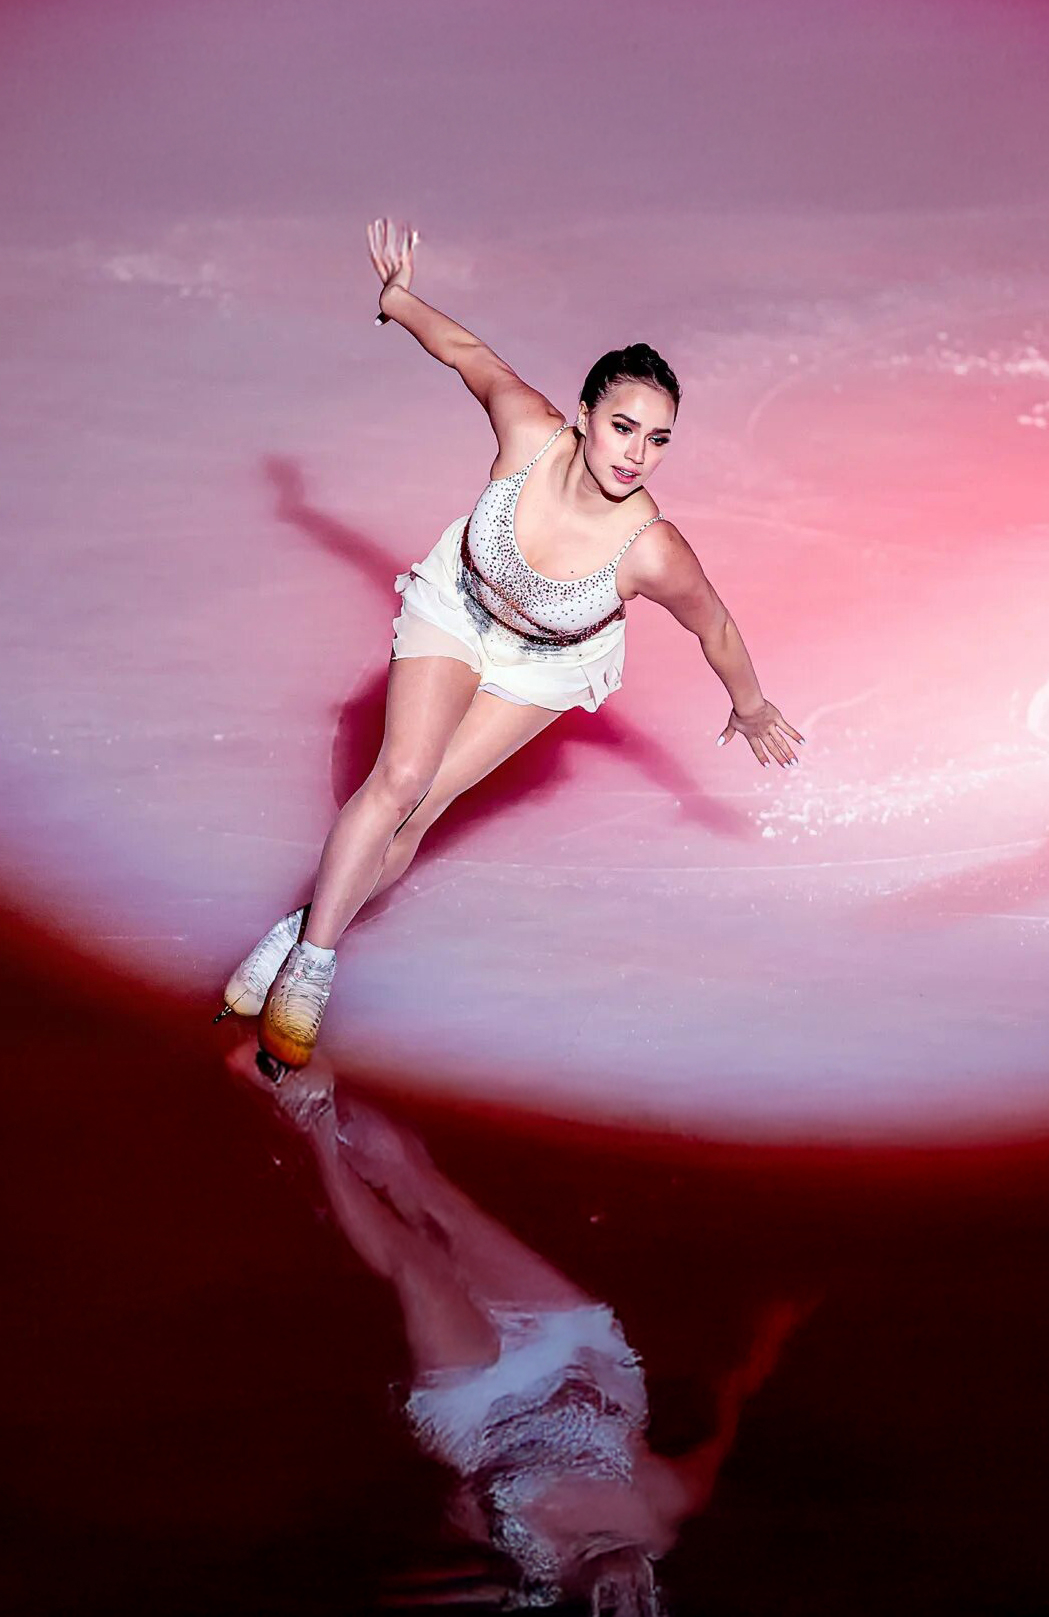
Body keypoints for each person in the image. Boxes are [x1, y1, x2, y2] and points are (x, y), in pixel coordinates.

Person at [215, 219, 803, 1073]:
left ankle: (302, 929)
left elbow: (712, 623)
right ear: (585, 415)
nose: (637, 455)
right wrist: (397, 301)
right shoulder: (528, 429)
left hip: (547, 663)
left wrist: (750, 707)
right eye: (623, 427)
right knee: (399, 776)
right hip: (459, 611)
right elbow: (467, 353)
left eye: (657, 439)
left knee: (420, 808)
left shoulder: (651, 549)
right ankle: (313, 965)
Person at [227, 1040, 810, 1613]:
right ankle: (313, 1110)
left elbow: (445, 1515)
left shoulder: (532, 1556)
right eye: (640, 1604)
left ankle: (314, 1119)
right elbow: (724, 1431)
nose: (625, 1594)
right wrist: (765, 1349)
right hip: (573, 1351)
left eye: (611, 1609)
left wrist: (453, 1513)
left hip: (476, 1408)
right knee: (431, 1195)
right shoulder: (660, 1509)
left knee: (420, 1269)